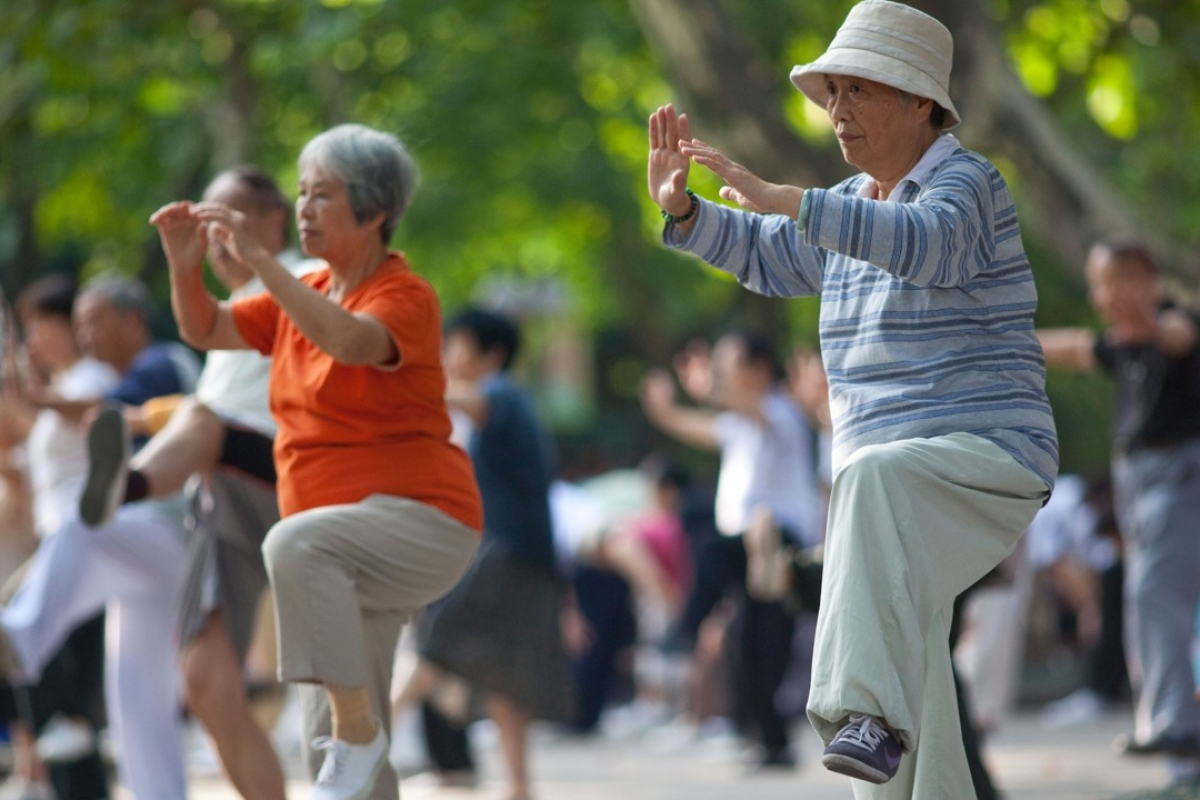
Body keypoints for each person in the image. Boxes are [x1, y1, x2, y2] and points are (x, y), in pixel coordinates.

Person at [646, 0, 1059, 795]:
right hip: (893, 485)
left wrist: (791, 199)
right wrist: (685, 210)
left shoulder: (968, 185)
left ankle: (855, 714)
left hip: (984, 460)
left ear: (920, 101)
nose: (838, 112)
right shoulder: (848, 206)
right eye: (831, 94)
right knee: (916, 662)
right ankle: (895, 752)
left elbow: (926, 248)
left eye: (857, 91)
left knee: (867, 481)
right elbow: (765, 253)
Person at [149, 123, 482, 800]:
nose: (303, 207)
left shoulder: (405, 296)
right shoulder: (298, 297)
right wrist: (185, 262)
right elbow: (205, 327)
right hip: (340, 553)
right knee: (325, 751)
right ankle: (358, 735)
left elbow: (351, 343)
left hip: (421, 522)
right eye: (300, 192)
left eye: (322, 194)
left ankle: (360, 730)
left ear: (374, 210)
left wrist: (262, 262)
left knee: (293, 543)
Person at [80, 165, 318, 800]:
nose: (213, 237)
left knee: (201, 419)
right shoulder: (231, 317)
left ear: (270, 222)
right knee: (206, 684)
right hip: (218, 489)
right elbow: (210, 377)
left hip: (288, 474)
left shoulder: (304, 280)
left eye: (222, 221)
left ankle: (126, 490)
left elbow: (213, 406)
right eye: (203, 224)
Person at [0, 275, 201, 800]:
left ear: (133, 321)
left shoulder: (160, 364)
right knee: (136, 698)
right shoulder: (117, 379)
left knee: (81, 525)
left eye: (93, 321)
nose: (85, 335)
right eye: (80, 323)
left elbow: (101, 410)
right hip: (142, 553)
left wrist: (36, 396)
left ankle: (20, 638)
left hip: (176, 533)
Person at [393, 306, 574, 800]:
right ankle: (518, 787)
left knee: (434, 646)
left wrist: (400, 373)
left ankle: (361, 744)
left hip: (504, 556)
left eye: (457, 346)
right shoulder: (515, 403)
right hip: (528, 559)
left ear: (490, 353)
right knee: (506, 678)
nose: (449, 357)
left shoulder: (502, 392)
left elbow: (469, 401)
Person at [1038, 239, 1200, 785]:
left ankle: (1174, 724)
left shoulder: (1175, 326)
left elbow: (1178, 336)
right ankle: (1179, 753)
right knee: (1146, 602)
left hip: (1178, 478)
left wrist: (1151, 321)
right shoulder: (1126, 349)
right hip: (1140, 484)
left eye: (1106, 283)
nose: (1098, 296)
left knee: (1154, 595)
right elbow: (1076, 347)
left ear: (1138, 281)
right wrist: (997, 340)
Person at [639, 331, 823, 768]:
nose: (721, 374)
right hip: (749, 554)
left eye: (728, 364)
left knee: (713, 555)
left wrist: (709, 388)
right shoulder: (739, 424)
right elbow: (694, 426)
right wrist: (663, 409)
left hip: (777, 547)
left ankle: (683, 630)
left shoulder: (780, 413)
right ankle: (770, 742)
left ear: (759, 369)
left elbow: (747, 408)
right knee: (752, 644)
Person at [0, 274, 118, 800]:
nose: (35, 337)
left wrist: (31, 395)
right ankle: (50, 752)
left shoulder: (90, 377)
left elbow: (92, 410)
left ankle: (60, 730)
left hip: (87, 535)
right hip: (54, 536)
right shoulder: (54, 390)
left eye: (41, 324)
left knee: (25, 631)